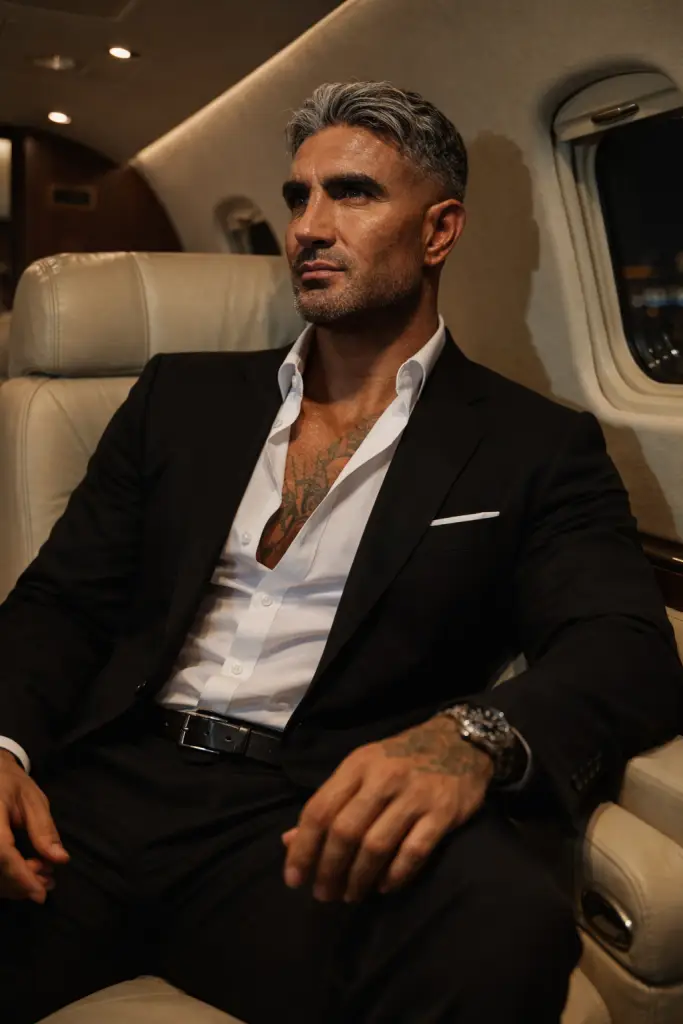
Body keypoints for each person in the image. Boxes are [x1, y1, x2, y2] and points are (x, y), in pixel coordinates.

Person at [0, 81, 680, 1024]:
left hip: (313, 813)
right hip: (105, 788)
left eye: (351, 193)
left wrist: (468, 737)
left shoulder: (532, 444)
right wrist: (3, 745)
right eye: (297, 197)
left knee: (503, 928)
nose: (307, 228)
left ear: (439, 231)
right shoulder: (180, 399)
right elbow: (62, 601)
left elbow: (621, 644)